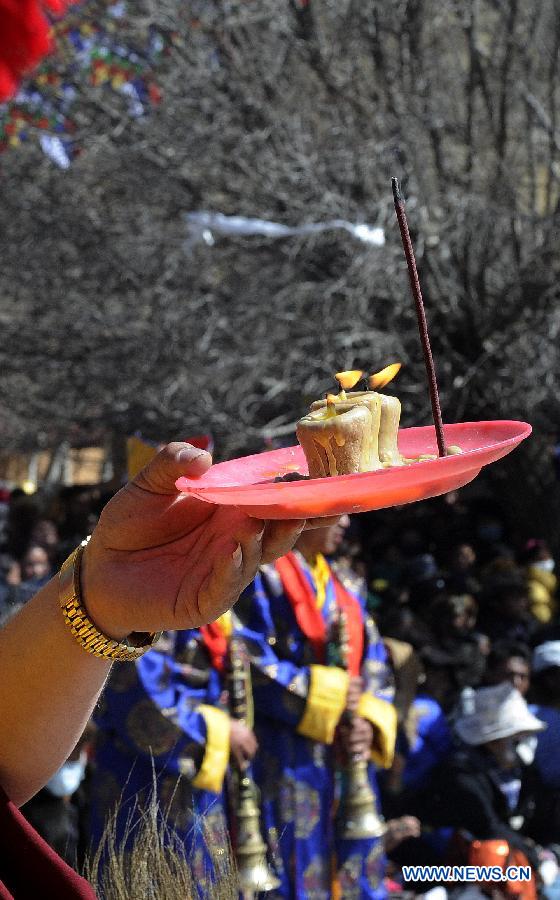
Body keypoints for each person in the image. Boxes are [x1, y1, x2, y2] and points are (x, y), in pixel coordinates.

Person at [0, 442, 313, 898]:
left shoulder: (232, 572)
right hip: (151, 774)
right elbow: (137, 693)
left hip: (215, 773)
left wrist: (102, 597)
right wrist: (217, 729)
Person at [235, 515, 416, 899]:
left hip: (346, 751)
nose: (346, 521)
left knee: (354, 862)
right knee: (294, 862)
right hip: (287, 750)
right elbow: (247, 659)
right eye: (335, 511)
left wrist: (368, 718)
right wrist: (333, 696)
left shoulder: (346, 583)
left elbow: (375, 662)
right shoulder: (258, 578)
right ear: (302, 517)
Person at [89, 619, 257, 888]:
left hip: (206, 776)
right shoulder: (145, 591)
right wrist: (215, 730)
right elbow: (141, 696)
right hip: (145, 778)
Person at [519, 539, 557, 624]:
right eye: (544, 557)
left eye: (548, 555)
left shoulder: (551, 582)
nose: (548, 560)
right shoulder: (531, 586)